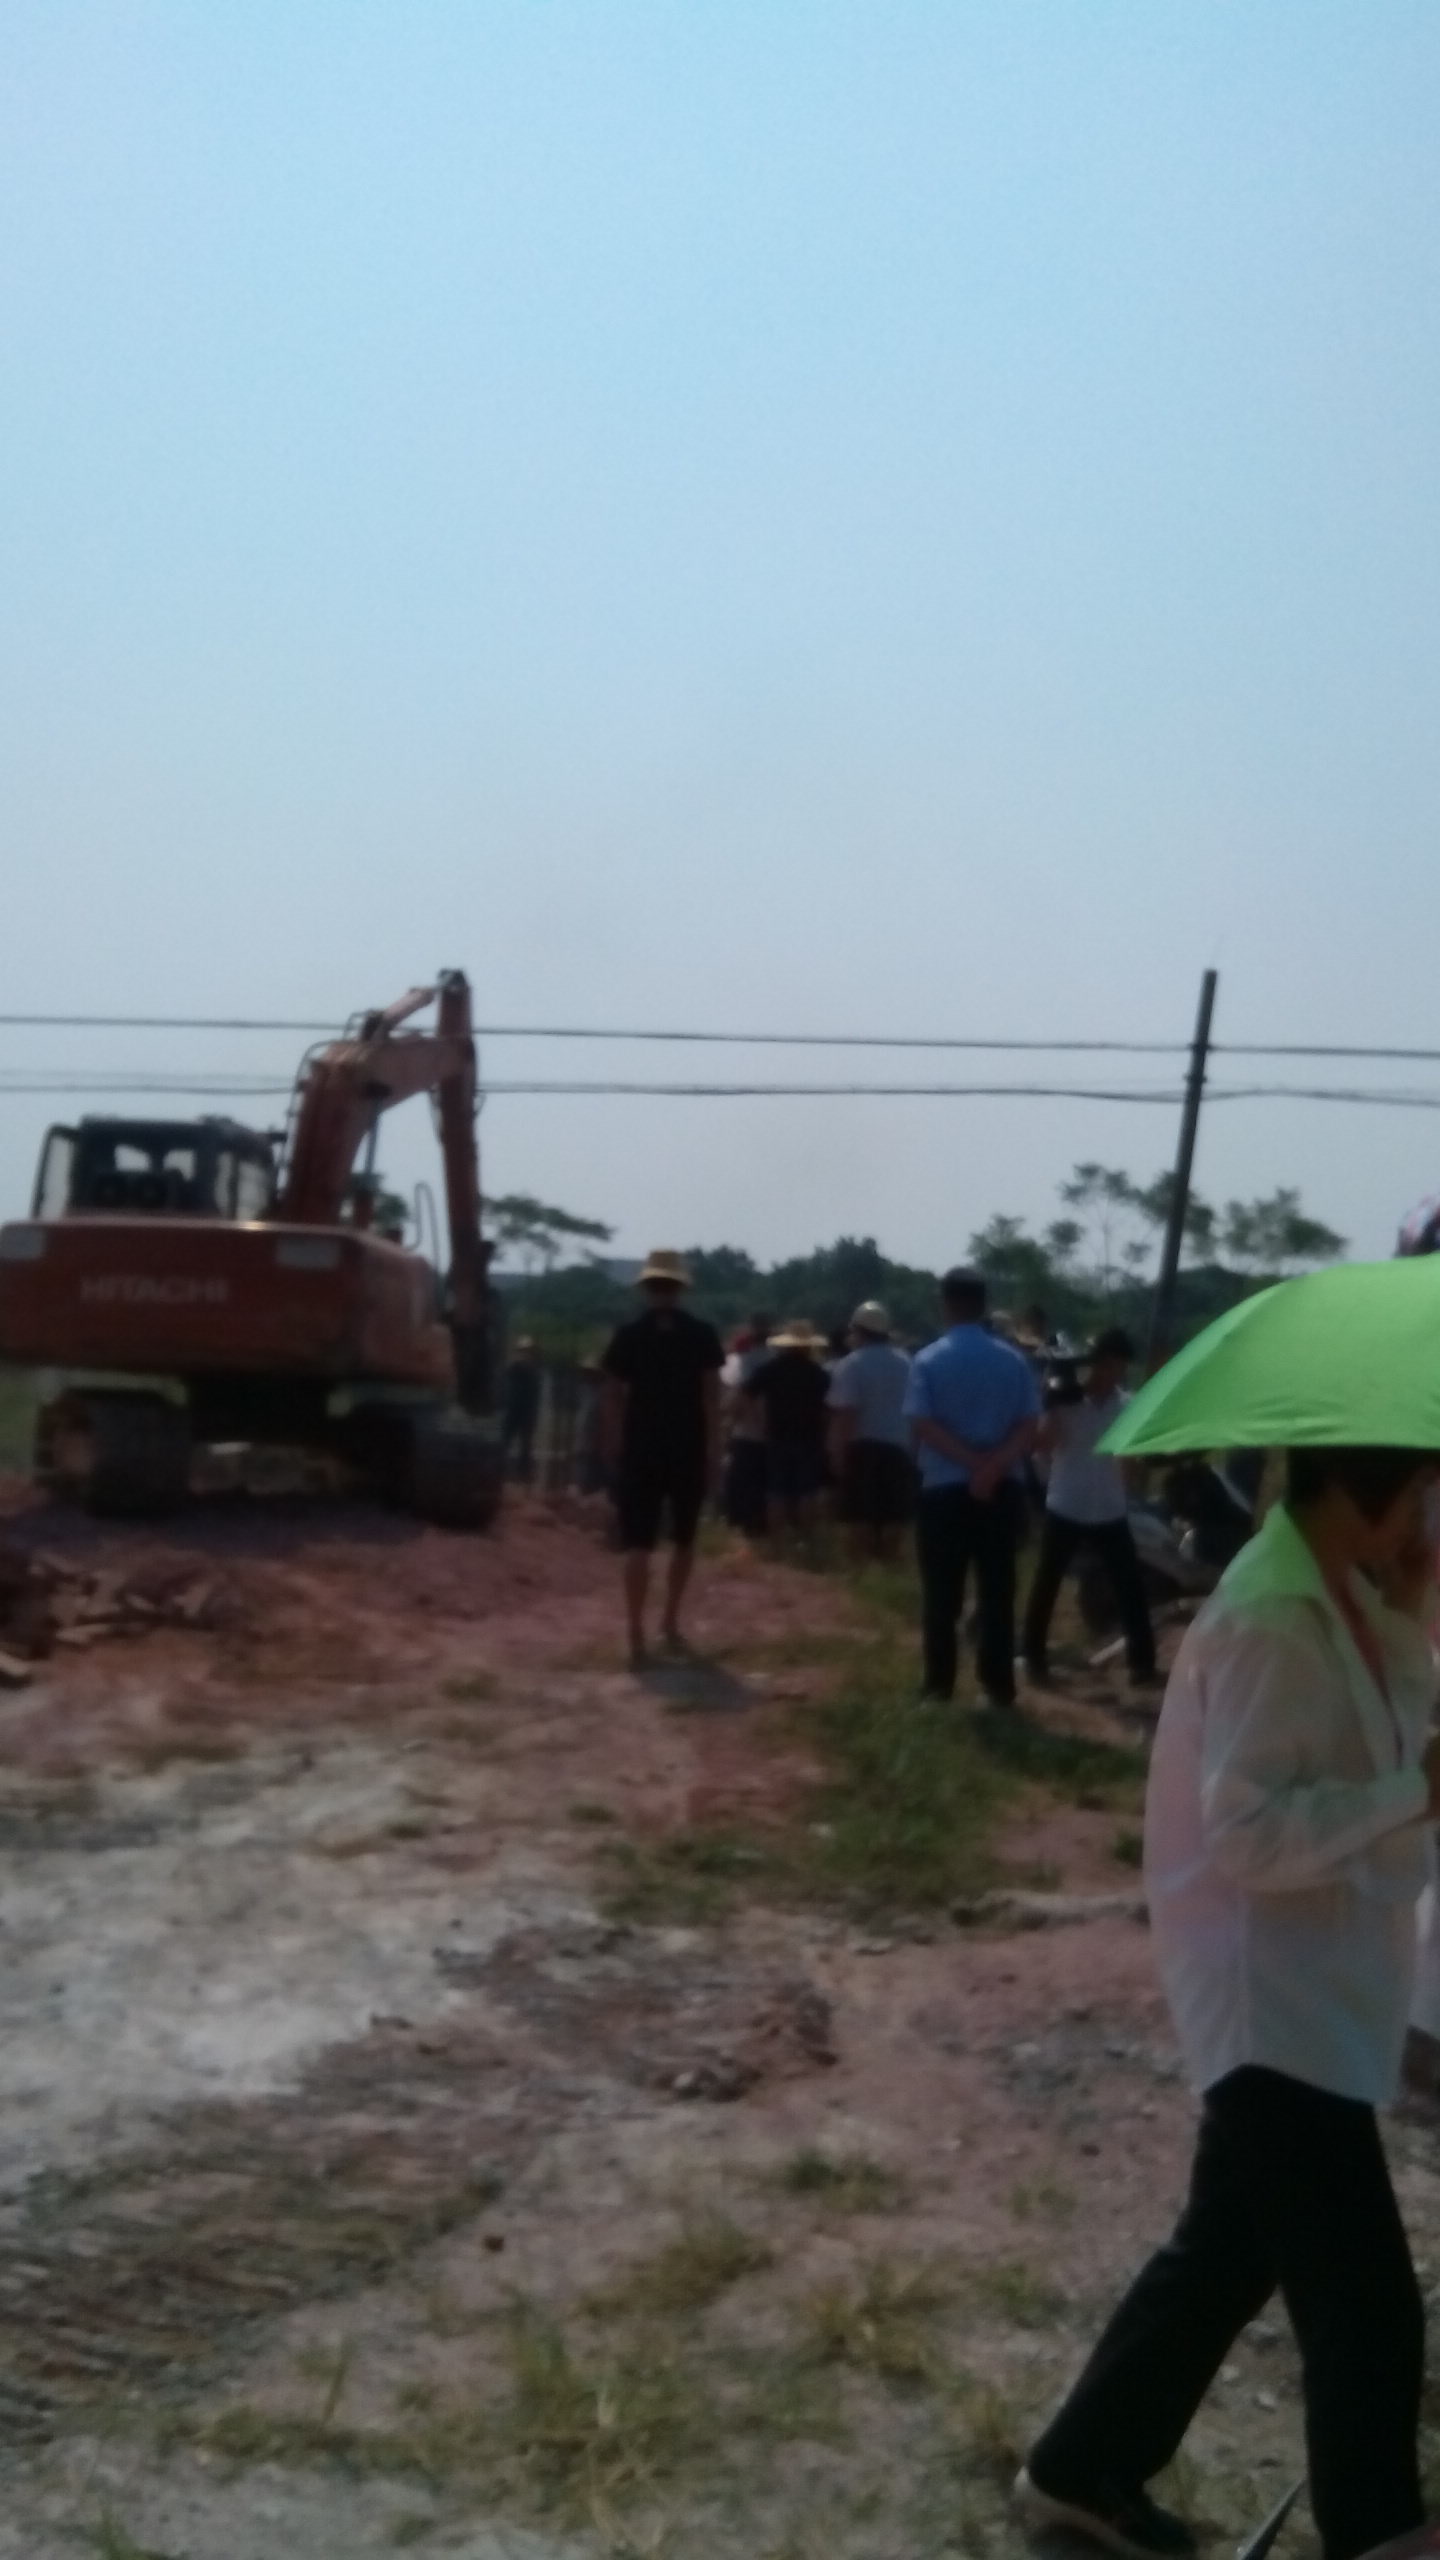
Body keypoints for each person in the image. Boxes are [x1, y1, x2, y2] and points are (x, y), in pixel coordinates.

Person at [1016, 1445, 1440, 2560]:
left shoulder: (1340, 1594)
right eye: (1423, 1487)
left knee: (1226, 2254)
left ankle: (1079, 2467)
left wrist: (1413, 1606)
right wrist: (1414, 1790)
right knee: (1367, 2306)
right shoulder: (1271, 1617)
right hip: (1270, 2001)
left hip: (1320, 1986)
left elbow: (1384, 1734)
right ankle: (1381, 2534)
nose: (1431, 1510)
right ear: (1371, 1483)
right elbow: (1249, 1835)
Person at [904, 1267, 1040, 1706]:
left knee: (941, 1594)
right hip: (1001, 1490)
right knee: (997, 1592)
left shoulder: (928, 1360)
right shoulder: (1013, 1361)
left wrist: (970, 1463)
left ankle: (938, 1687)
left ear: (945, 1304)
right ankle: (997, 1688)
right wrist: (993, 1466)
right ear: (983, 1305)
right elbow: (1028, 1424)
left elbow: (923, 1423)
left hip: (944, 1489)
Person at [600, 1251, 723, 1667]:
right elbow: (711, 1398)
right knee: (684, 1538)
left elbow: (612, 1393)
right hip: (687, 1446)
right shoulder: (702, 1334)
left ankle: (635, 1630)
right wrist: (714, 1450)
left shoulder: (629, 1334)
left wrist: (614, 1439)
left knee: (638, 1543)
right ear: (680, 1289)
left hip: (642, 1447)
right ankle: (669, 1620)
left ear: (647, 1288)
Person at [1022, 1326, 1157, 1689]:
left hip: (1108, 1508)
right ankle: (1033, 1657)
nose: (1110, 1372)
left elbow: (1130, 1460)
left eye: (1117, 1365)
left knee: (1129, 1585)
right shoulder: (1066, 1400)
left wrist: (1128, 1484)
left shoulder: (1126, 1406)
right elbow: (1042, 1446)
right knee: (1047, 1583)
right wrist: (1051, 1406)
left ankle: (1142, 1664)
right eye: (1105, 1363)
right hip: (1067, 1504)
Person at [827, 1300, 914, 1563]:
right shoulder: (906, 1363)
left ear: (859, 1331)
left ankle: (863, 1567)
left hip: (862, 1448)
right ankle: (888, 1564)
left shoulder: (851, 1364)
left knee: (860, 1514)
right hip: (899, 1447)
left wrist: (837, 1453)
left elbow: (846, 1414)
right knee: (893, 1515)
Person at [744, 1321, 832, 1549]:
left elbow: (746, 1395)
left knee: (776, 1491)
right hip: (810, 1437)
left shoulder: (771, 1369)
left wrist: (757, 1422)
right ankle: (806, 1541)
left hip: (777, 1435)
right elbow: (829, 1408)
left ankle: (777, 1543)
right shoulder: (818, 1373)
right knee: (807, 1492)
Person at [720, 1314, 773, 1541]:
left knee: (742, 1486)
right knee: (765, 1487)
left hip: (746, 1432)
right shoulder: (776, 1359)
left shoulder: (742, 1361)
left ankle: (743, 1532)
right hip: (772, 1433)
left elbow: (736, 1398)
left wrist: (728, 1421)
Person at [501, 1337, 542, 1483]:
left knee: (525, 1445)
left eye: (528, 1351)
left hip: (526, 1413)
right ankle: (502, 1469)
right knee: (505, 1441)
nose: (525, 1354)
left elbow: (534, 1395)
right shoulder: (514, 1367)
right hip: (513, 1410)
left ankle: (523, 1473)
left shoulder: (534, 1371)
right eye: (523, 1351)